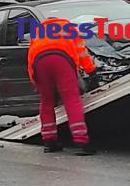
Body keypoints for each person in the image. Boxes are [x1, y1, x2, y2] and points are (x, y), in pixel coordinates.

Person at [27, 17, 99, 155]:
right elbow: (81, 52)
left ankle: (49, 141)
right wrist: (91, 71)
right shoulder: (68, 27)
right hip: (62, 59)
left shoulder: (38, 31)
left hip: (39, 62)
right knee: (71, 99)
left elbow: (30, 57)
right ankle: (81, 141)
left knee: (47, 100)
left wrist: (35, 81)